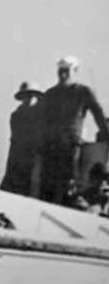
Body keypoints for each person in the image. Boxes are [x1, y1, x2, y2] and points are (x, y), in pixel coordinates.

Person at [38, 55, 109, 204]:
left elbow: (98, 113)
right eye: (61, 70)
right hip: (50, 146)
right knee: (47, 185)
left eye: (67, 71)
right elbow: (42, 121)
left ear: (74, 71)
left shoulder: (83, 92)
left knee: (68, 183)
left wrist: (106, 134)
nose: (63, 74)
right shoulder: (50, 94)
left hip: (70, 146)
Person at [0, 81, 46, 196]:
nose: (29, 98)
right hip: (17, 161)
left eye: (31, 95)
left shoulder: (44, 116)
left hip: (35, 162)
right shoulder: (16, 116)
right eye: (26, 95)